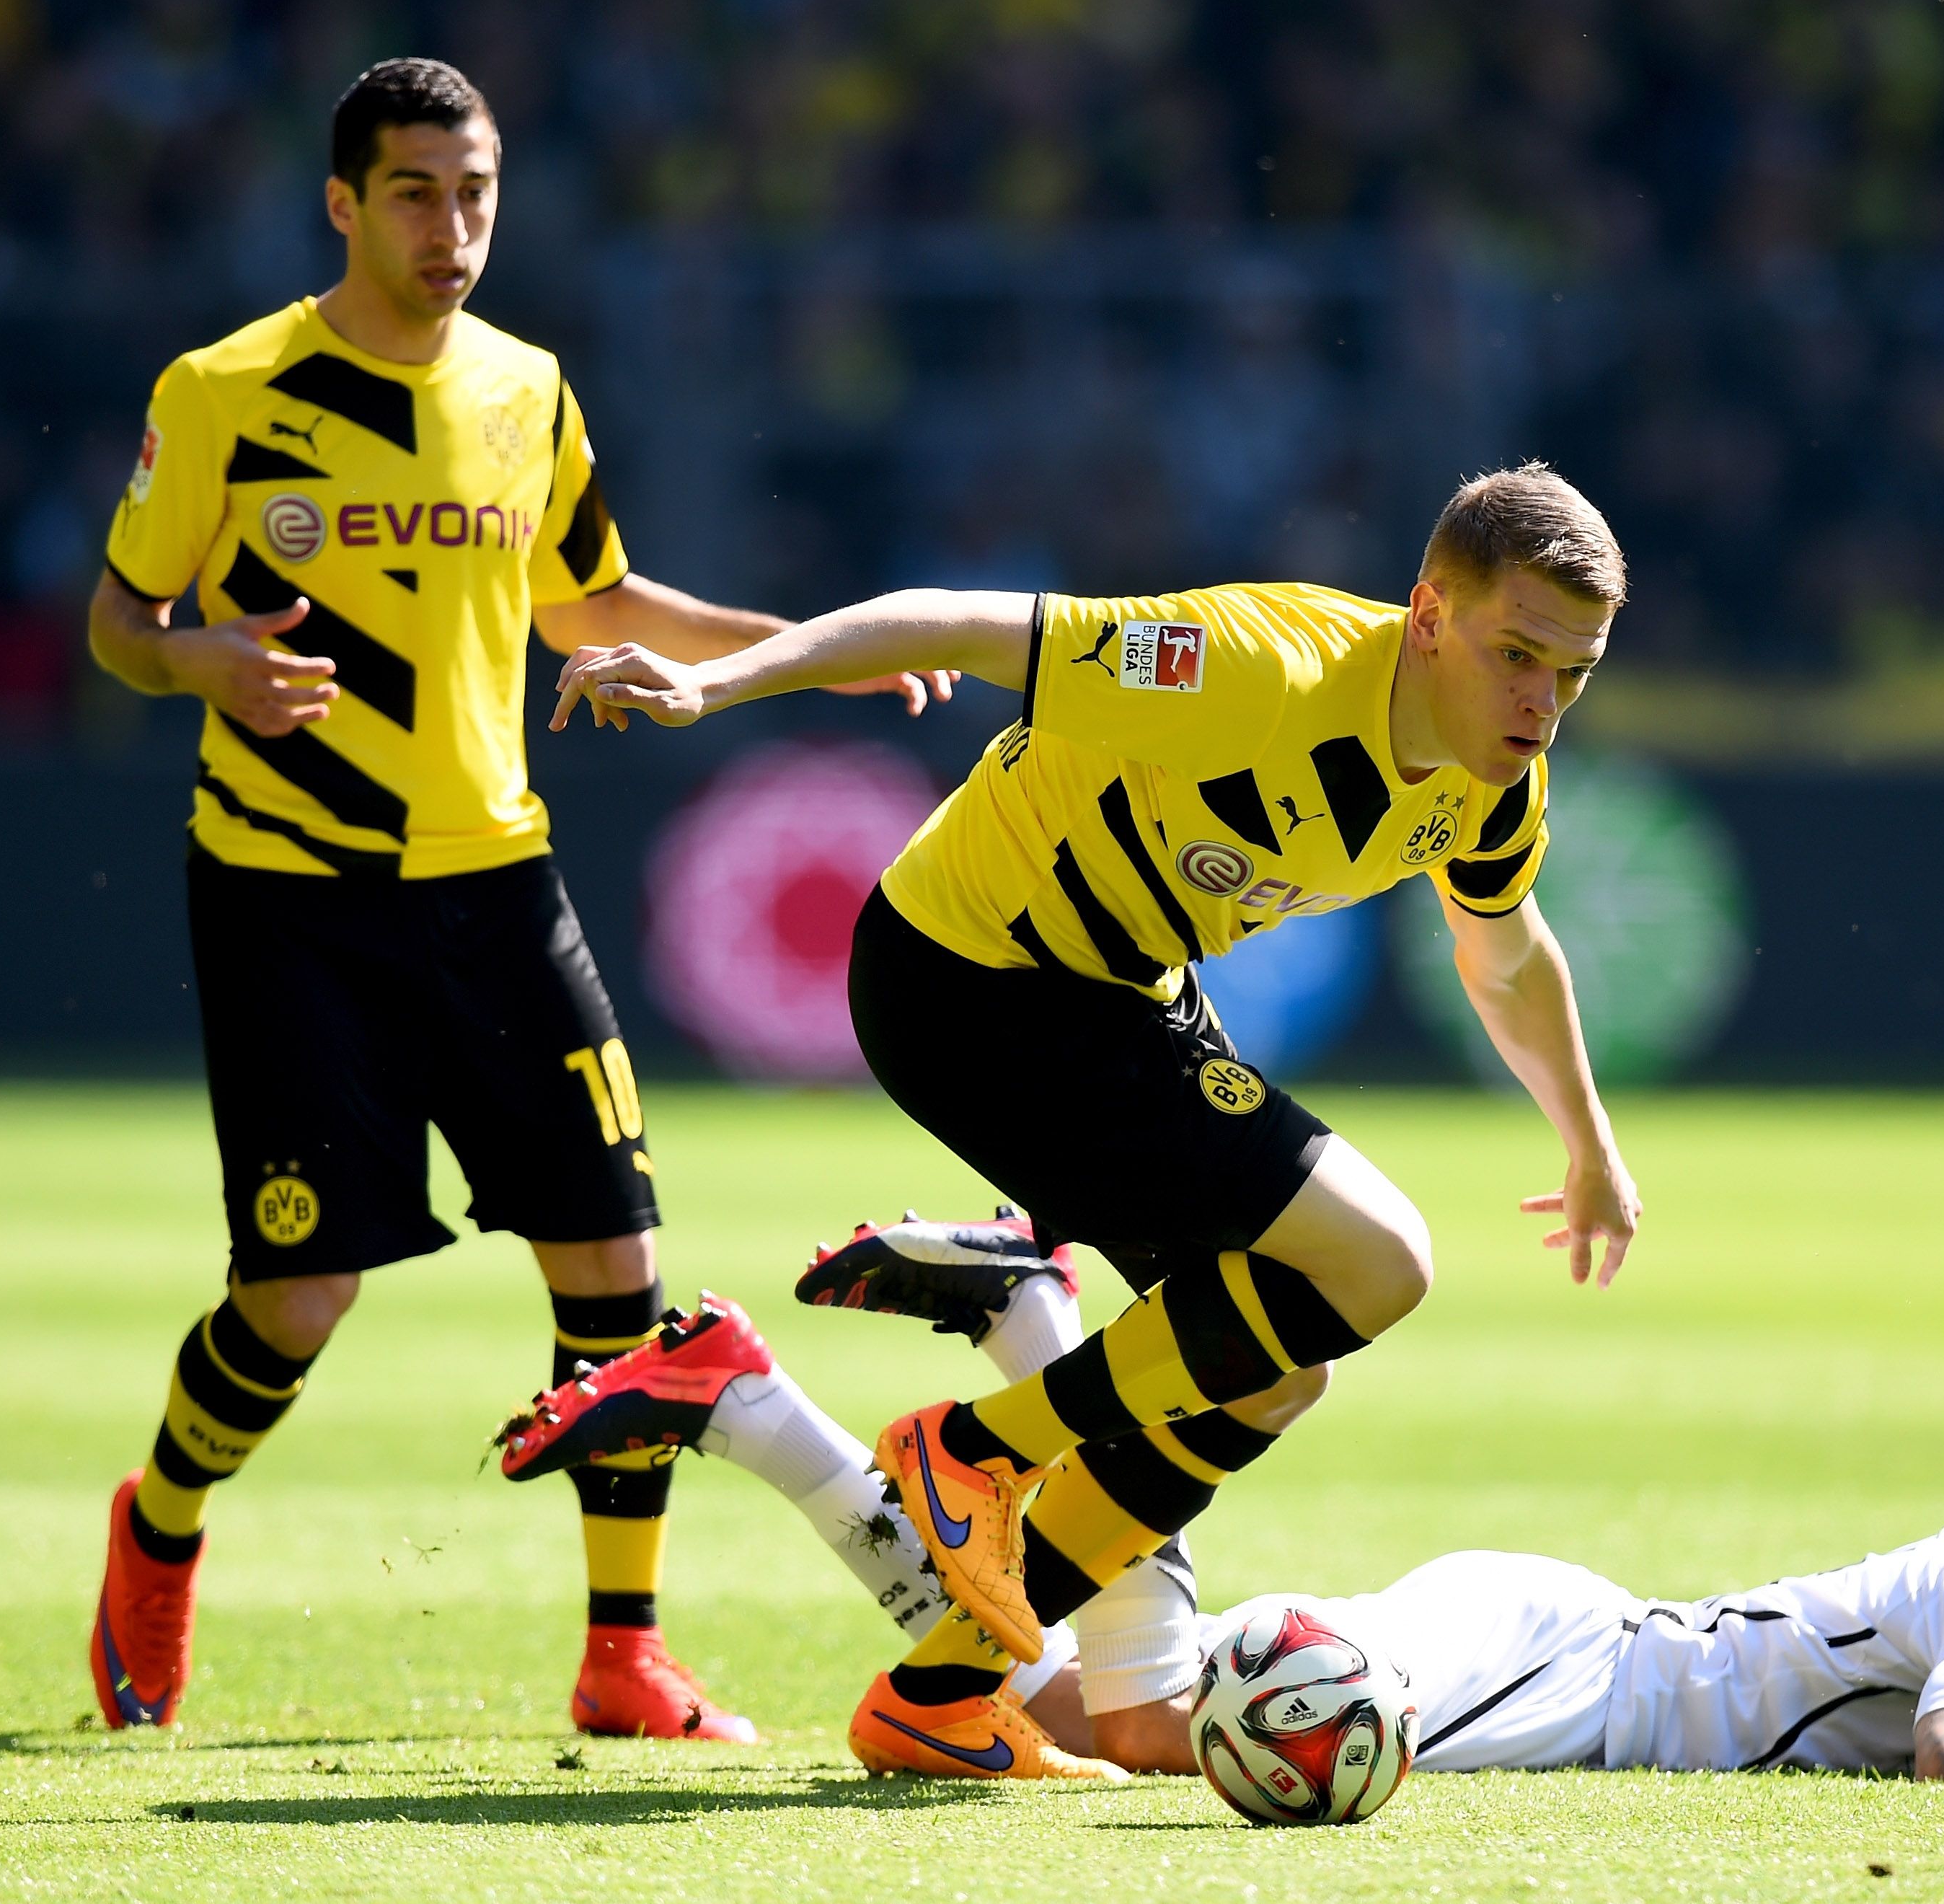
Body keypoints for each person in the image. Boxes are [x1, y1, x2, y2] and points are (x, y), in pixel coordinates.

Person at [79, 56, 945, 1741]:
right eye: (413, 192)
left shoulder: (529, 390)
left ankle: (624, 1656)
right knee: (298, 1300)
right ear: (341, 203)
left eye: (474, 193)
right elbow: (120, 620)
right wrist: (203, 662)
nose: (451, 227)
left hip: (495, 886)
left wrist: (798, 664)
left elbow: (592, 597)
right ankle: (161, 1528)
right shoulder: (227, 391)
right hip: (288, 899)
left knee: (617, 1281)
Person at [544, 464, 1644, 1773]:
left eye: (1572, 674)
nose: (1541, 703)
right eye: (1517, 653)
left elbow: (1507, 956)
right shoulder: (1256, 666)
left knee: (1274, 1360)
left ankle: (940, 1696)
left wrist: (1589, 1143)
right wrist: (713, 686)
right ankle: (973, 1448)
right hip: (966, 978)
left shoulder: (1491, 778)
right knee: (1380, 1257)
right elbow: (955, 622)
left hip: (1117, 992)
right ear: (1425, 616)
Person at [511, 1334, 1944, 1786]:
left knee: (1033, 1715)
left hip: (1548, 1642)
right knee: (1138, 1729)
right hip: (1569, 1682)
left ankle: (755, 1408)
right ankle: (1026, 1317)